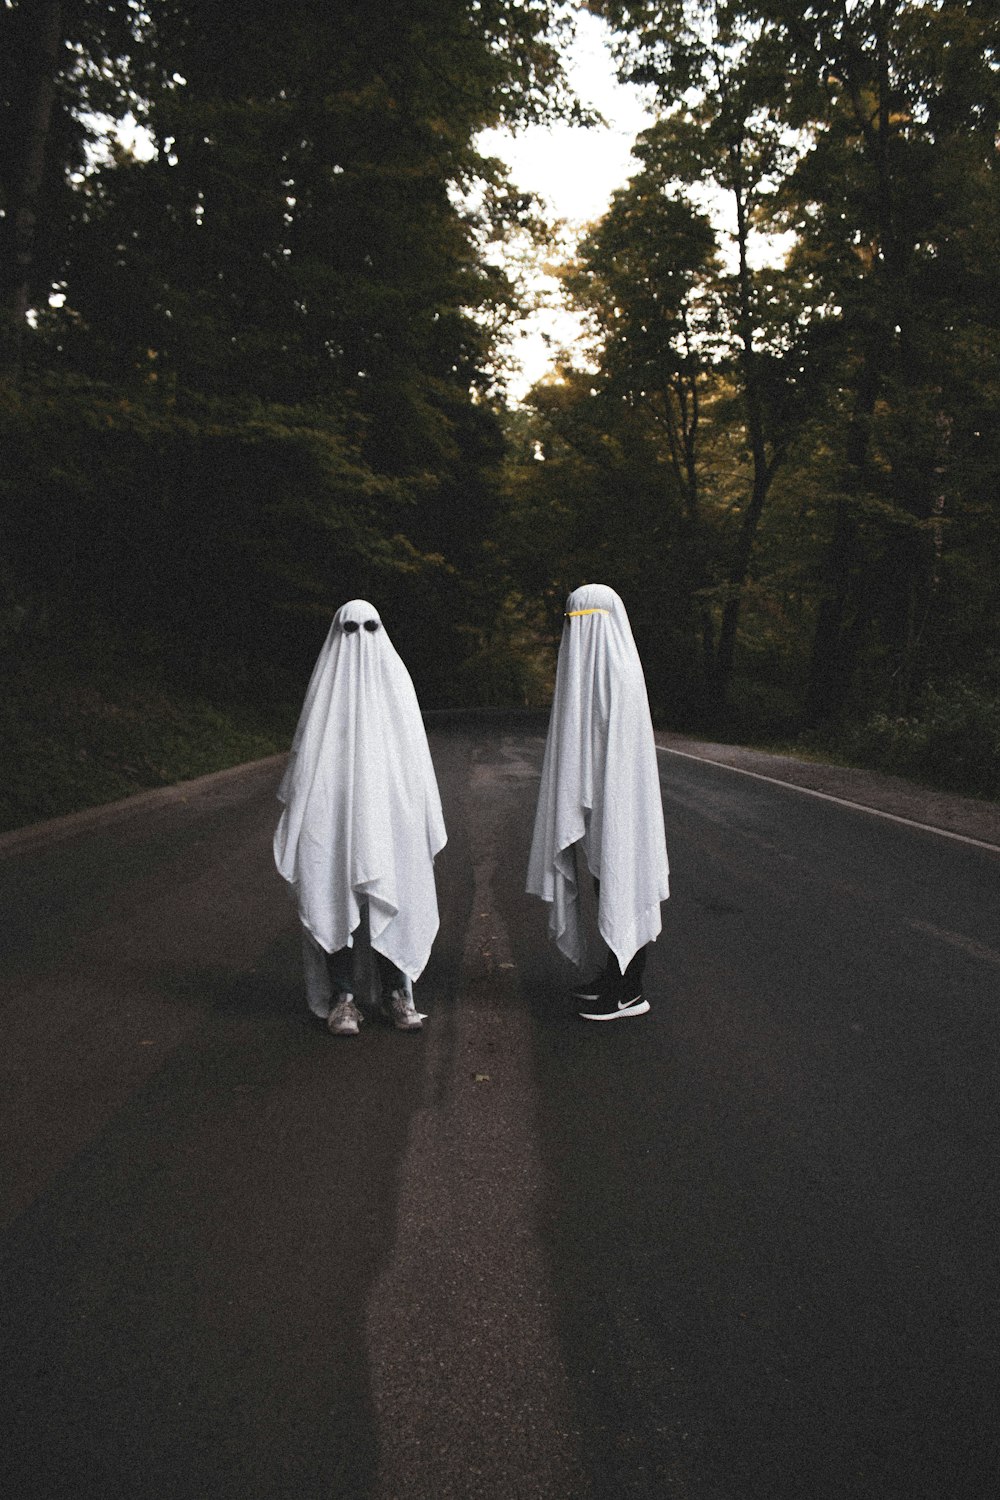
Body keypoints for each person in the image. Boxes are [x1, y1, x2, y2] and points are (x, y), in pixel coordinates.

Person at [273, 599, 446, 1035]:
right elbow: (307, 761)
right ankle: (343, 998)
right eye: (350, 629)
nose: (360, 638)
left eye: (370, 627)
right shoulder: (324, 694)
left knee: (395, 891)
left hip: (392, 814)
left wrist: (415, 811)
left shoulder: (397, 686)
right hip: (334, 814)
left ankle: (396, 993)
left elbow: (416, 761)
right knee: (332, 890)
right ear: (337, 634)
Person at [526, 583, 669, 1021]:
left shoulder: (619, 676)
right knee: (604, 877)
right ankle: (614, 974)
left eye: (582, 621)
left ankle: (631, 988)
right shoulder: (592, 675)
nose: (577, 632)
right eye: (572, 621)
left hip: (624, 805)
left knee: (623, 875)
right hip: (606, 803)